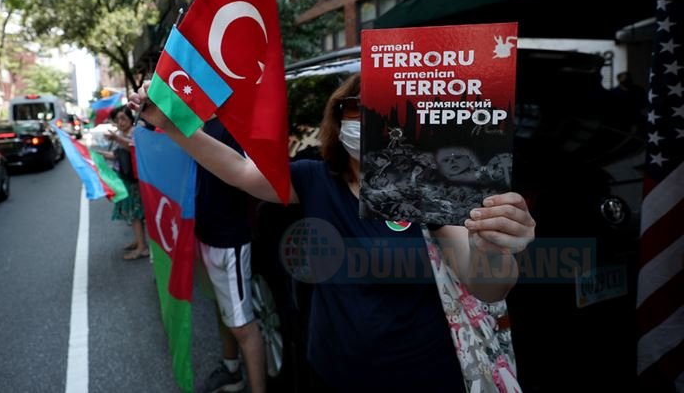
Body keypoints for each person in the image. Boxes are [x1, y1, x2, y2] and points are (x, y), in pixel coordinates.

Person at [130, 73, 535, 391]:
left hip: (422, 374)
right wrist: (170, 121)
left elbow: (488, 288)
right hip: (330, 370)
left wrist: (495, 249)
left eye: (383, 108)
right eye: (355, 107)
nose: (367, 119)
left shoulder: (427, 190)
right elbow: (237, 169)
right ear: (338, 119)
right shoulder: (314, 179)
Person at [195, 117, 267, 393]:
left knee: (243, 325)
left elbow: (248, 175)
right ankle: (232, 370)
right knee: (221, 307)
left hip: (229, 238)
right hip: (206, 234)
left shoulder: (234, 122)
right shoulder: (197, 122)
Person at [98, 105, 148, 260]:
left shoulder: (136, 132)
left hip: (135, 179)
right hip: (126, 178)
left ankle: (142, 247)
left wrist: (117, 138)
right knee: (133, 214)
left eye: (123, 118)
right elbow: (117, 155)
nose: (120, 122)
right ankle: (139, 241)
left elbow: (133, 147)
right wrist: (99, 155)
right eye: (117, 119)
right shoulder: (120, 134)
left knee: (135, 214)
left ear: (130, 118)